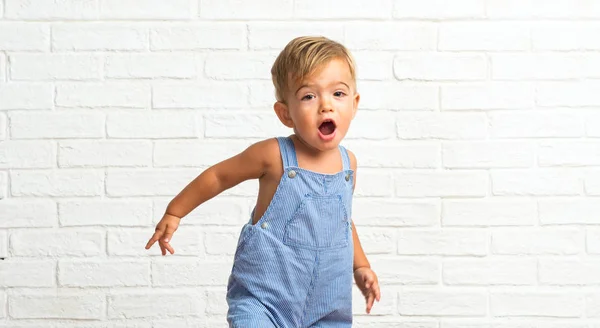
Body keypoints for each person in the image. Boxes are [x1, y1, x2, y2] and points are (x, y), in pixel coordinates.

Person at [145, 36, 381, 328]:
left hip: (328, 306)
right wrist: (175, 211)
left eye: (338, 94)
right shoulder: (274, 155)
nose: (326, 106)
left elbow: (343, 220)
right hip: (264, 300)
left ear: (355, 104)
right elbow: (219, 176)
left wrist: (361, 266)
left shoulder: (349, 164)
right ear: (285, 114)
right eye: (309, 96)